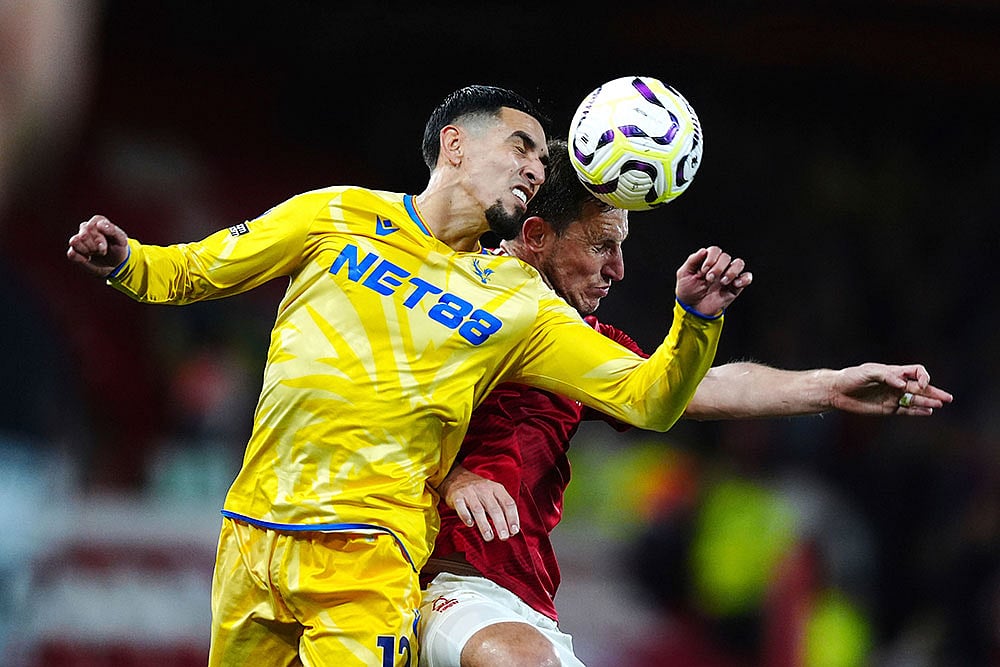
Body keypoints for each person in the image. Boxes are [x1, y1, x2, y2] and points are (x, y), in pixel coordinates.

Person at [65, 86, 751, 666]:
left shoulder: (522, 302)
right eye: (521, 147)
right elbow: (192, 270)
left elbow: (648, 399)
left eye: (543, 161)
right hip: (251, 533)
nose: (535, 168)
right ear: (455, 145)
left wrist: (695, 320)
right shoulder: (336, 212)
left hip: (368, 557)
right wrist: (126, 262)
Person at [417, 138, 953, 667]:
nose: (618, 269)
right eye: (602, 245)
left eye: (621, 247)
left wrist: (831, 386)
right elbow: (369, 394)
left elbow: (693, 389)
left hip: (515, 596)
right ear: (536, 235)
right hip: (440, 579)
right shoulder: (451, 299)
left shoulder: (573, 340)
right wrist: (449, 476)